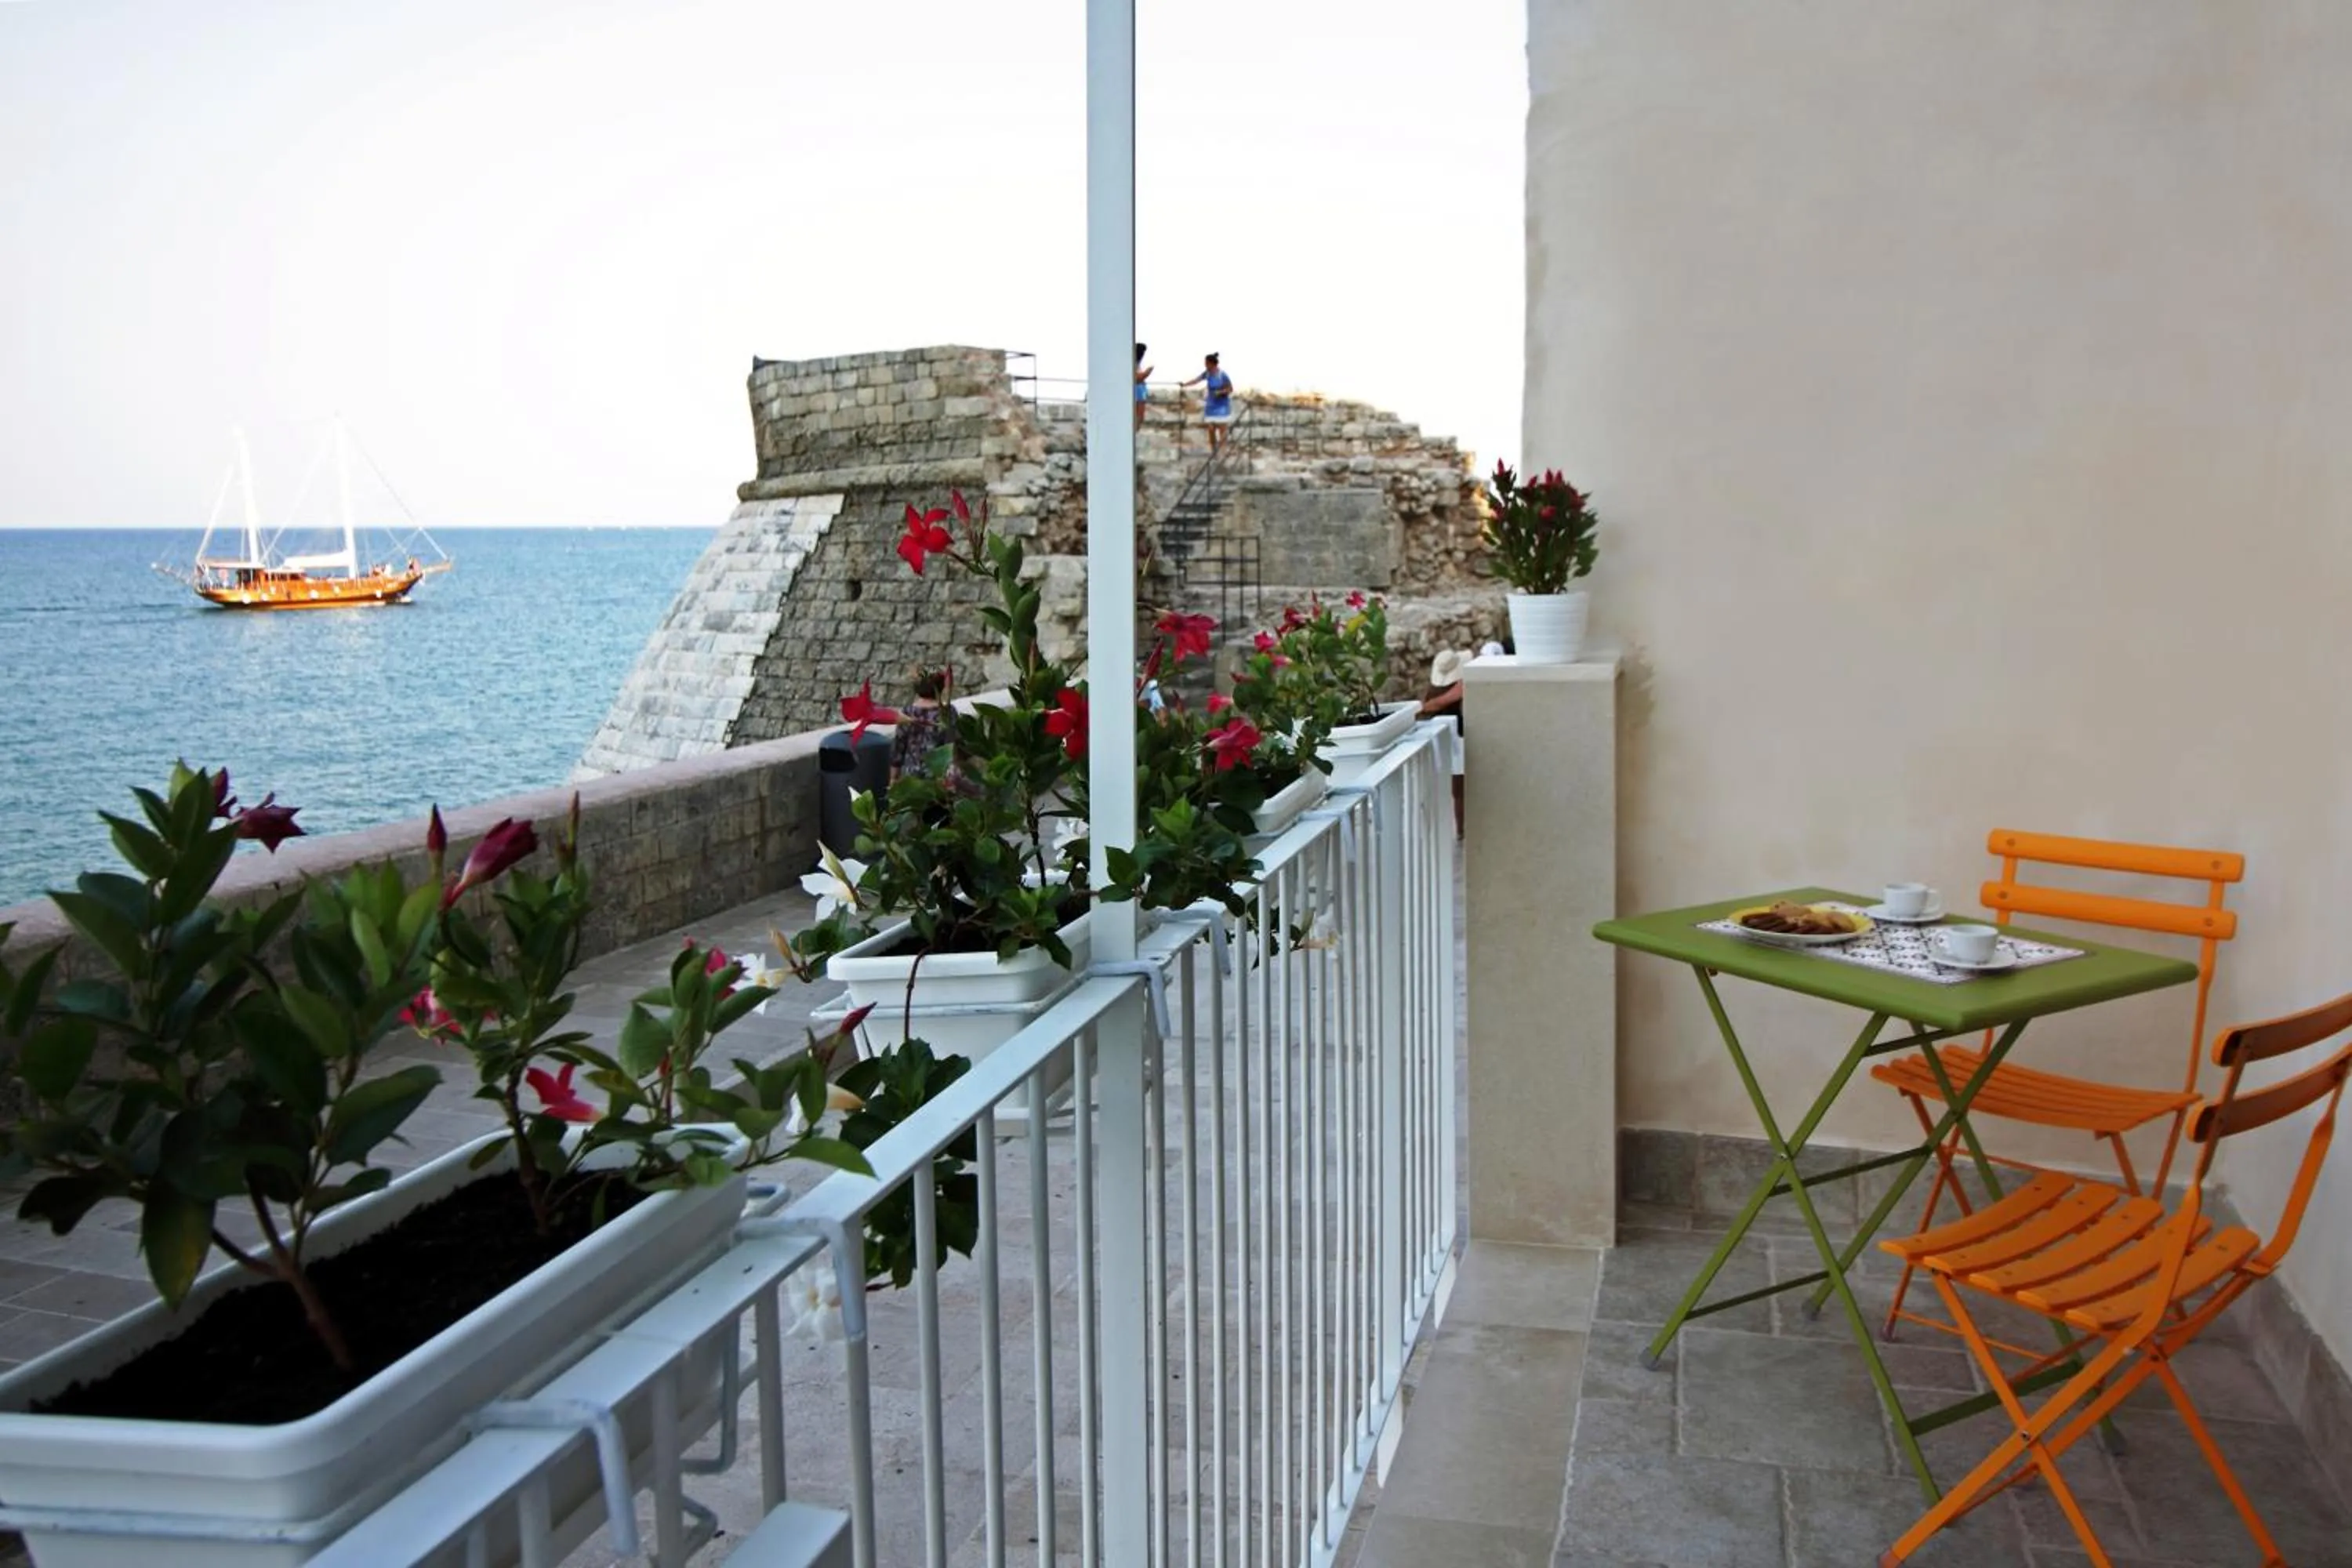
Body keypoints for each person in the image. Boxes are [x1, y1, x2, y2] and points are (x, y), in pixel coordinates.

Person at [1419, 648, 1470, 837]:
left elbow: (1423, 708)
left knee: (1455, 789)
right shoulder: (1455, 694)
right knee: (1459, 789)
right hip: (1458, 739)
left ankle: (1459, 830)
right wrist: (1453, 696)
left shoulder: (1432, 696)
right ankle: (1461, 829)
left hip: (1442, 743)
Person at [1180, 352, 1235, 453]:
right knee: (1211, 430)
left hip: (1222, 405)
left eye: (1207, 363)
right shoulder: (1207, 373)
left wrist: (1221, 392)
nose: (1205, 365)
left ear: (1212, 364)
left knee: (1222, 430)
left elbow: (1230, 389)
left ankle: (1223, 452)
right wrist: (1185, 384)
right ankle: (1213, 451)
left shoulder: (1222, 375)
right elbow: (1196, 380)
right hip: (1211, 405)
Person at [1134, 343, 1152, 430]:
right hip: (1137, 391)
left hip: (1141, 390)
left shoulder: (1138, 363)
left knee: (1141, 415)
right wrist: (1146, 373)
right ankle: (1135, 431)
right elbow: (1136, 378)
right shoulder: (1132, 362)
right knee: (1138, 414)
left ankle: (1136, 430)